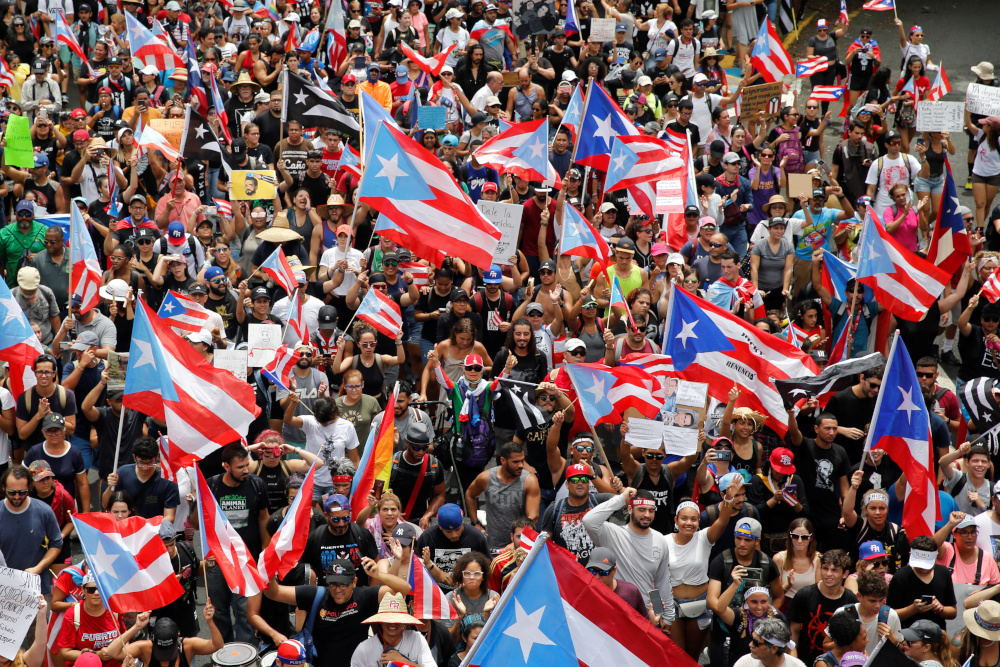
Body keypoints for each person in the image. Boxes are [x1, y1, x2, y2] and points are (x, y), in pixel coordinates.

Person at [262, 558, 413, 667]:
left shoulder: (364, 596)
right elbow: (274, 593)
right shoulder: (316, 595)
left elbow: (405, 589)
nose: (337, 590)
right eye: (333, 584)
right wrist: (269, 567)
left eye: (343, 585)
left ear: (354, 582)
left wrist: (378, 575)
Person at [200, 443, 271, 643]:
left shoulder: (256, 484)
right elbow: (198, 523)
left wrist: (264, 550)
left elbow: (264, 517)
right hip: (218, 560)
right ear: (226, 466)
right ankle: (222, 652)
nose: (246, 470)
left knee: (245, 611)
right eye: (240, 467)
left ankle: (246, 653)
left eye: (247, 465)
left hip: (245, 559)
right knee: (219, 609)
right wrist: (195, 502)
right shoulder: (211, 486)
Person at [582, 486, 674, 622]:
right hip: (617, 613)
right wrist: (621, 499)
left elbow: (662, 581)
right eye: (641, 510)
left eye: (651, 510)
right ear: (630, 509)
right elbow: (589, 521)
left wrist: (667, 617)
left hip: (647, 616)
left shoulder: (660, 539)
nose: (647, 515)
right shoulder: (613, 534)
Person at [669, 494, 738, 659]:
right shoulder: (663, 541)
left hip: (699, 604)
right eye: (684, 518)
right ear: (676, 520)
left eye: (693, 519)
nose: (689, 523)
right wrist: (658, 609)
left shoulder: (704, 538)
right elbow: (655, 578)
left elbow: (723, 520)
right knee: (677, 656)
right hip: (672, 604)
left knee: (693, 657)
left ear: (699, 521)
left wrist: (729, 498)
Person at [787, 550, 857, 666]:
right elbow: (794, 632)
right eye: (825, 568)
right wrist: (793, 662)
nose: (828, 574)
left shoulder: (851, 600)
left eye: (834, 570)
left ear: (845, 574)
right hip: (805, 661)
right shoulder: (804, 595)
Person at [0, 464, 63, 594]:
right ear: (3, 488)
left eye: (22, 492)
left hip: (36, 588)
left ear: (29, 487)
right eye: (11, 492)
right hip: (4, 588)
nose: (17, 497)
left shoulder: (44, 511)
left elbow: (56, 544)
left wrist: (38, 568)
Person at [885, 535, 958, 629]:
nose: (924, 569)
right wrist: (912, 609)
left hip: (937, 633)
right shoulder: (900, 577)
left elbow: (953, 612)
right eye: (920, 565)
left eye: (927, 565)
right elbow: (890, 616)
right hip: (907, 633)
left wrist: (939, 608)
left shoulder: (943, 573)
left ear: (936, 556)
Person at [306, 493, 379, 586]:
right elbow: (308, 571)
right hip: (326, 592)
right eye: (336, 519)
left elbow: (376, 566)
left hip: (358, 591)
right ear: (326, 516)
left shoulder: (362, 534)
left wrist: (370, 592)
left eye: (345, 518)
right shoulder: (315, 537)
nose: (341, 524)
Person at [386, 420, 447, 529]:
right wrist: (392, 512)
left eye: (425, 448)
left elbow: (440, 495)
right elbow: (381, 492)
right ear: (407, 443)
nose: (421, 452)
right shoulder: (393, 464)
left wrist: (427, 516)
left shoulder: (434, 466)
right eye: (416, 448)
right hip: (393, 521)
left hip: (420, 521)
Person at [350, 591, 436, 667]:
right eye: (388, 619)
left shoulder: (417, 639)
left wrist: (403, 662)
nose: (392, 623)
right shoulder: (364, 649)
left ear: (404, 623)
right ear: (381, 621)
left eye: (397, 619)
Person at [413, 503, 489, 588]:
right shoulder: (427, 538)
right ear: (440, 526)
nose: (454, 535)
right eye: (448, 532)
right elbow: (417, 569)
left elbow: (487, 567)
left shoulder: (476, 537)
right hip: (437, 590)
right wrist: (438, 573)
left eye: (457, 529)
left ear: (463, 522)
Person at [103, 437, 180, 521]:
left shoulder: (168, 481)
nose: (145, 467)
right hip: (126, 526)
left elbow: (169, 517)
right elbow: (106, 505)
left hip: (153, 527)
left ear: (156, 457)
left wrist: (149, 527)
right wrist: (110, 487)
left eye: (150, 462)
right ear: (134, 457)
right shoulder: (122, 473)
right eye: (141, 463)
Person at [116, 605, 222, 666]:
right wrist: (136, 627)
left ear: (178, 636)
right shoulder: (146, 648)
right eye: (162, 650)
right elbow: (113, 652)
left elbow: (217, 645)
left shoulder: (187, 646)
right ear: (152, 638)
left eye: (168, 650)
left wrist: (210, 622)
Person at [842, 480, 910, 572]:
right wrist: (853, 487)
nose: (878, 512)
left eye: (882, 508)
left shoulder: (894, 530)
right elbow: (847, 512)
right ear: (866, 509)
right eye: (873, 508)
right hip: (860, 576)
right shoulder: (860, 525)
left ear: (887, 509)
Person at [934, 512, 1000, 586]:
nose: (969, 537)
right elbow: (933, 545)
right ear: (954, 534)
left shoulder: (986, 558)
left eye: (973, 532)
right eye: (964, 532)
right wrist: (950, 524)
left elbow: (996, 588)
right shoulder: (948, 550)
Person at [733, 617, 805, 667]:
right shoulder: (744, 663)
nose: (750, 644)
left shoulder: (797, 665)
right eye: (752, 639)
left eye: (756, 643)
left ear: (774, 648)